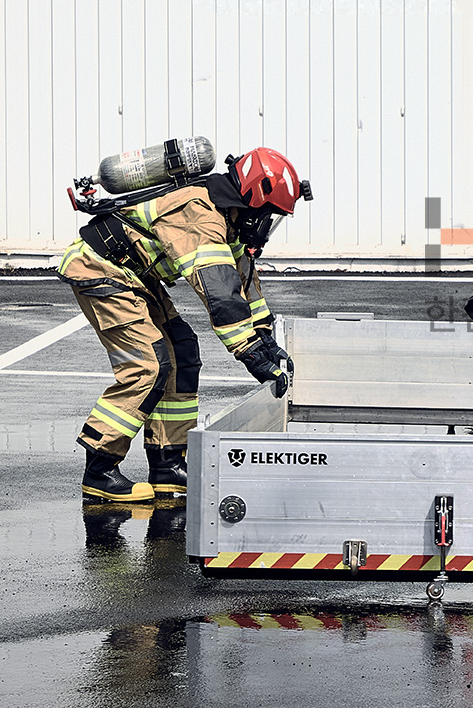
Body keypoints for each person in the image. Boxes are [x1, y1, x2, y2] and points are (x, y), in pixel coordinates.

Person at [59, 147, 309, 501]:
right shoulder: (200, 217)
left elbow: (243, 283)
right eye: (268, 214)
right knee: (148, 366)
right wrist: (250, 351)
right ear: (253, 199)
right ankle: (100, 470)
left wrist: (265, 337)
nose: (267, 224)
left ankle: (168, 465)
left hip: (133, 275)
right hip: (100, 269)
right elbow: (220, 294)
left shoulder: (227, 220)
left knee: (182, 353)